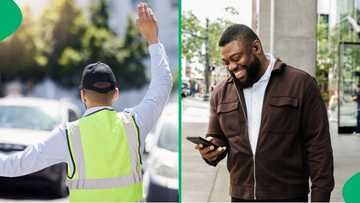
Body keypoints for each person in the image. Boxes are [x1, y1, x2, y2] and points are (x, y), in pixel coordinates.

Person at [0, 3, 172, 202]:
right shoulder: (135, 124)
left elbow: (14, 165)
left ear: (83, 95)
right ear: (115, 93)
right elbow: (163, 83)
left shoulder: (67, 135)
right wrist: (153, 39)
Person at [194, 24, 334, 202]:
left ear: (256, 48)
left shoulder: (301, 84)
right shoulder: (221, 92)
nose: (231, 67)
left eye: (236, 58)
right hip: (240, 196)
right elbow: (217, 136)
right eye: (226, 62)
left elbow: (319, 148)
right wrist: (211, 150)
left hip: (289, 196)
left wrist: (320, 198)